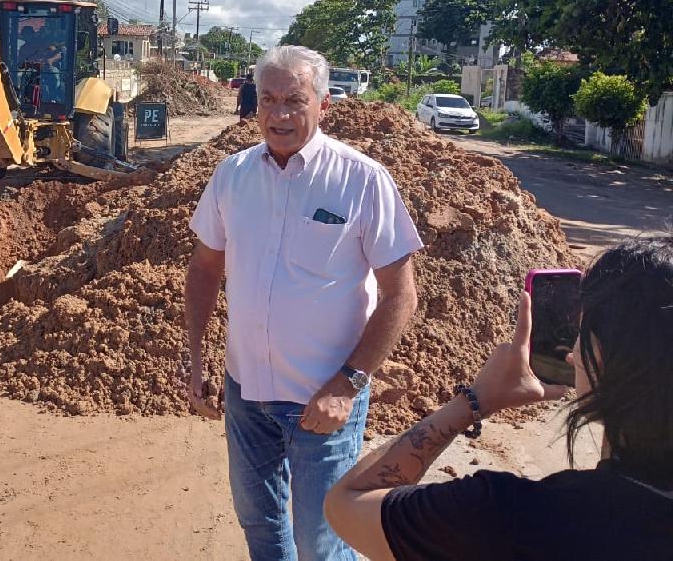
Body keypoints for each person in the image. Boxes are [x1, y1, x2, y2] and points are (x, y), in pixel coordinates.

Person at [185, 44, 423, 561]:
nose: (279, 114)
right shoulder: (233, 175)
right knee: (261, 528)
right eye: (267, 99)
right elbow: (204, 266)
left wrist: (348, 384)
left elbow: (401, 294)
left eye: (295, 100)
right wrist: (198, 354)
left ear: (324, 104)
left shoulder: (362, 180)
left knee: (322, 541)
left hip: (325, 401)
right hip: (246, 395)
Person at [326, 236, 673, 560]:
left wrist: (474, 400)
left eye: (582, 333)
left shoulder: (516, 516)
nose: (570, 354)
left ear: (607, 357)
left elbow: (348, 504)